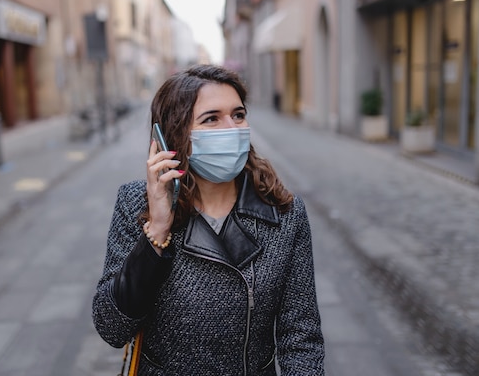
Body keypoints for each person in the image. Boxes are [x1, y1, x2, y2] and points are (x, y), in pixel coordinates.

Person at [93, 64, 324, 375]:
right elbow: (111, 327)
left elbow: (301, 337)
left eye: (238, 115)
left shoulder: (284, 213)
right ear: (174, 135)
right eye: (212, 119)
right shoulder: (136, 204)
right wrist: (157, 230)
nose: (232, 127)